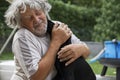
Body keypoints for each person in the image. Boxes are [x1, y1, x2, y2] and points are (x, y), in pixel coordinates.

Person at [4, 0, 96, 80]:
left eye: (38, 13)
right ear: (21, 24)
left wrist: (80, 49)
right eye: (29, 18)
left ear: (44, 11)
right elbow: (37, 77)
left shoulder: (57, 26)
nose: (36, 20)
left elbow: (87, 52)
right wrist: (55, 42)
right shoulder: (22, 36)